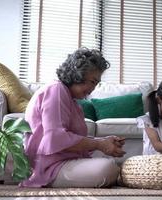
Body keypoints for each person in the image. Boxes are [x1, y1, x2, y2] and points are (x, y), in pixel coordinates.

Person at [20, 47, 126, 188]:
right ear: (78, 74)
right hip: (48, 167)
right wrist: (100, 144)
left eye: (97, 83)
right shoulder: (56, 90)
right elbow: (57, 138)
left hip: (63, 161)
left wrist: (104, 142)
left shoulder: (72, 100)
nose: (94, 88)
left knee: (112, 166)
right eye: (93, 81)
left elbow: (71, 139)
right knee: (108, 168)